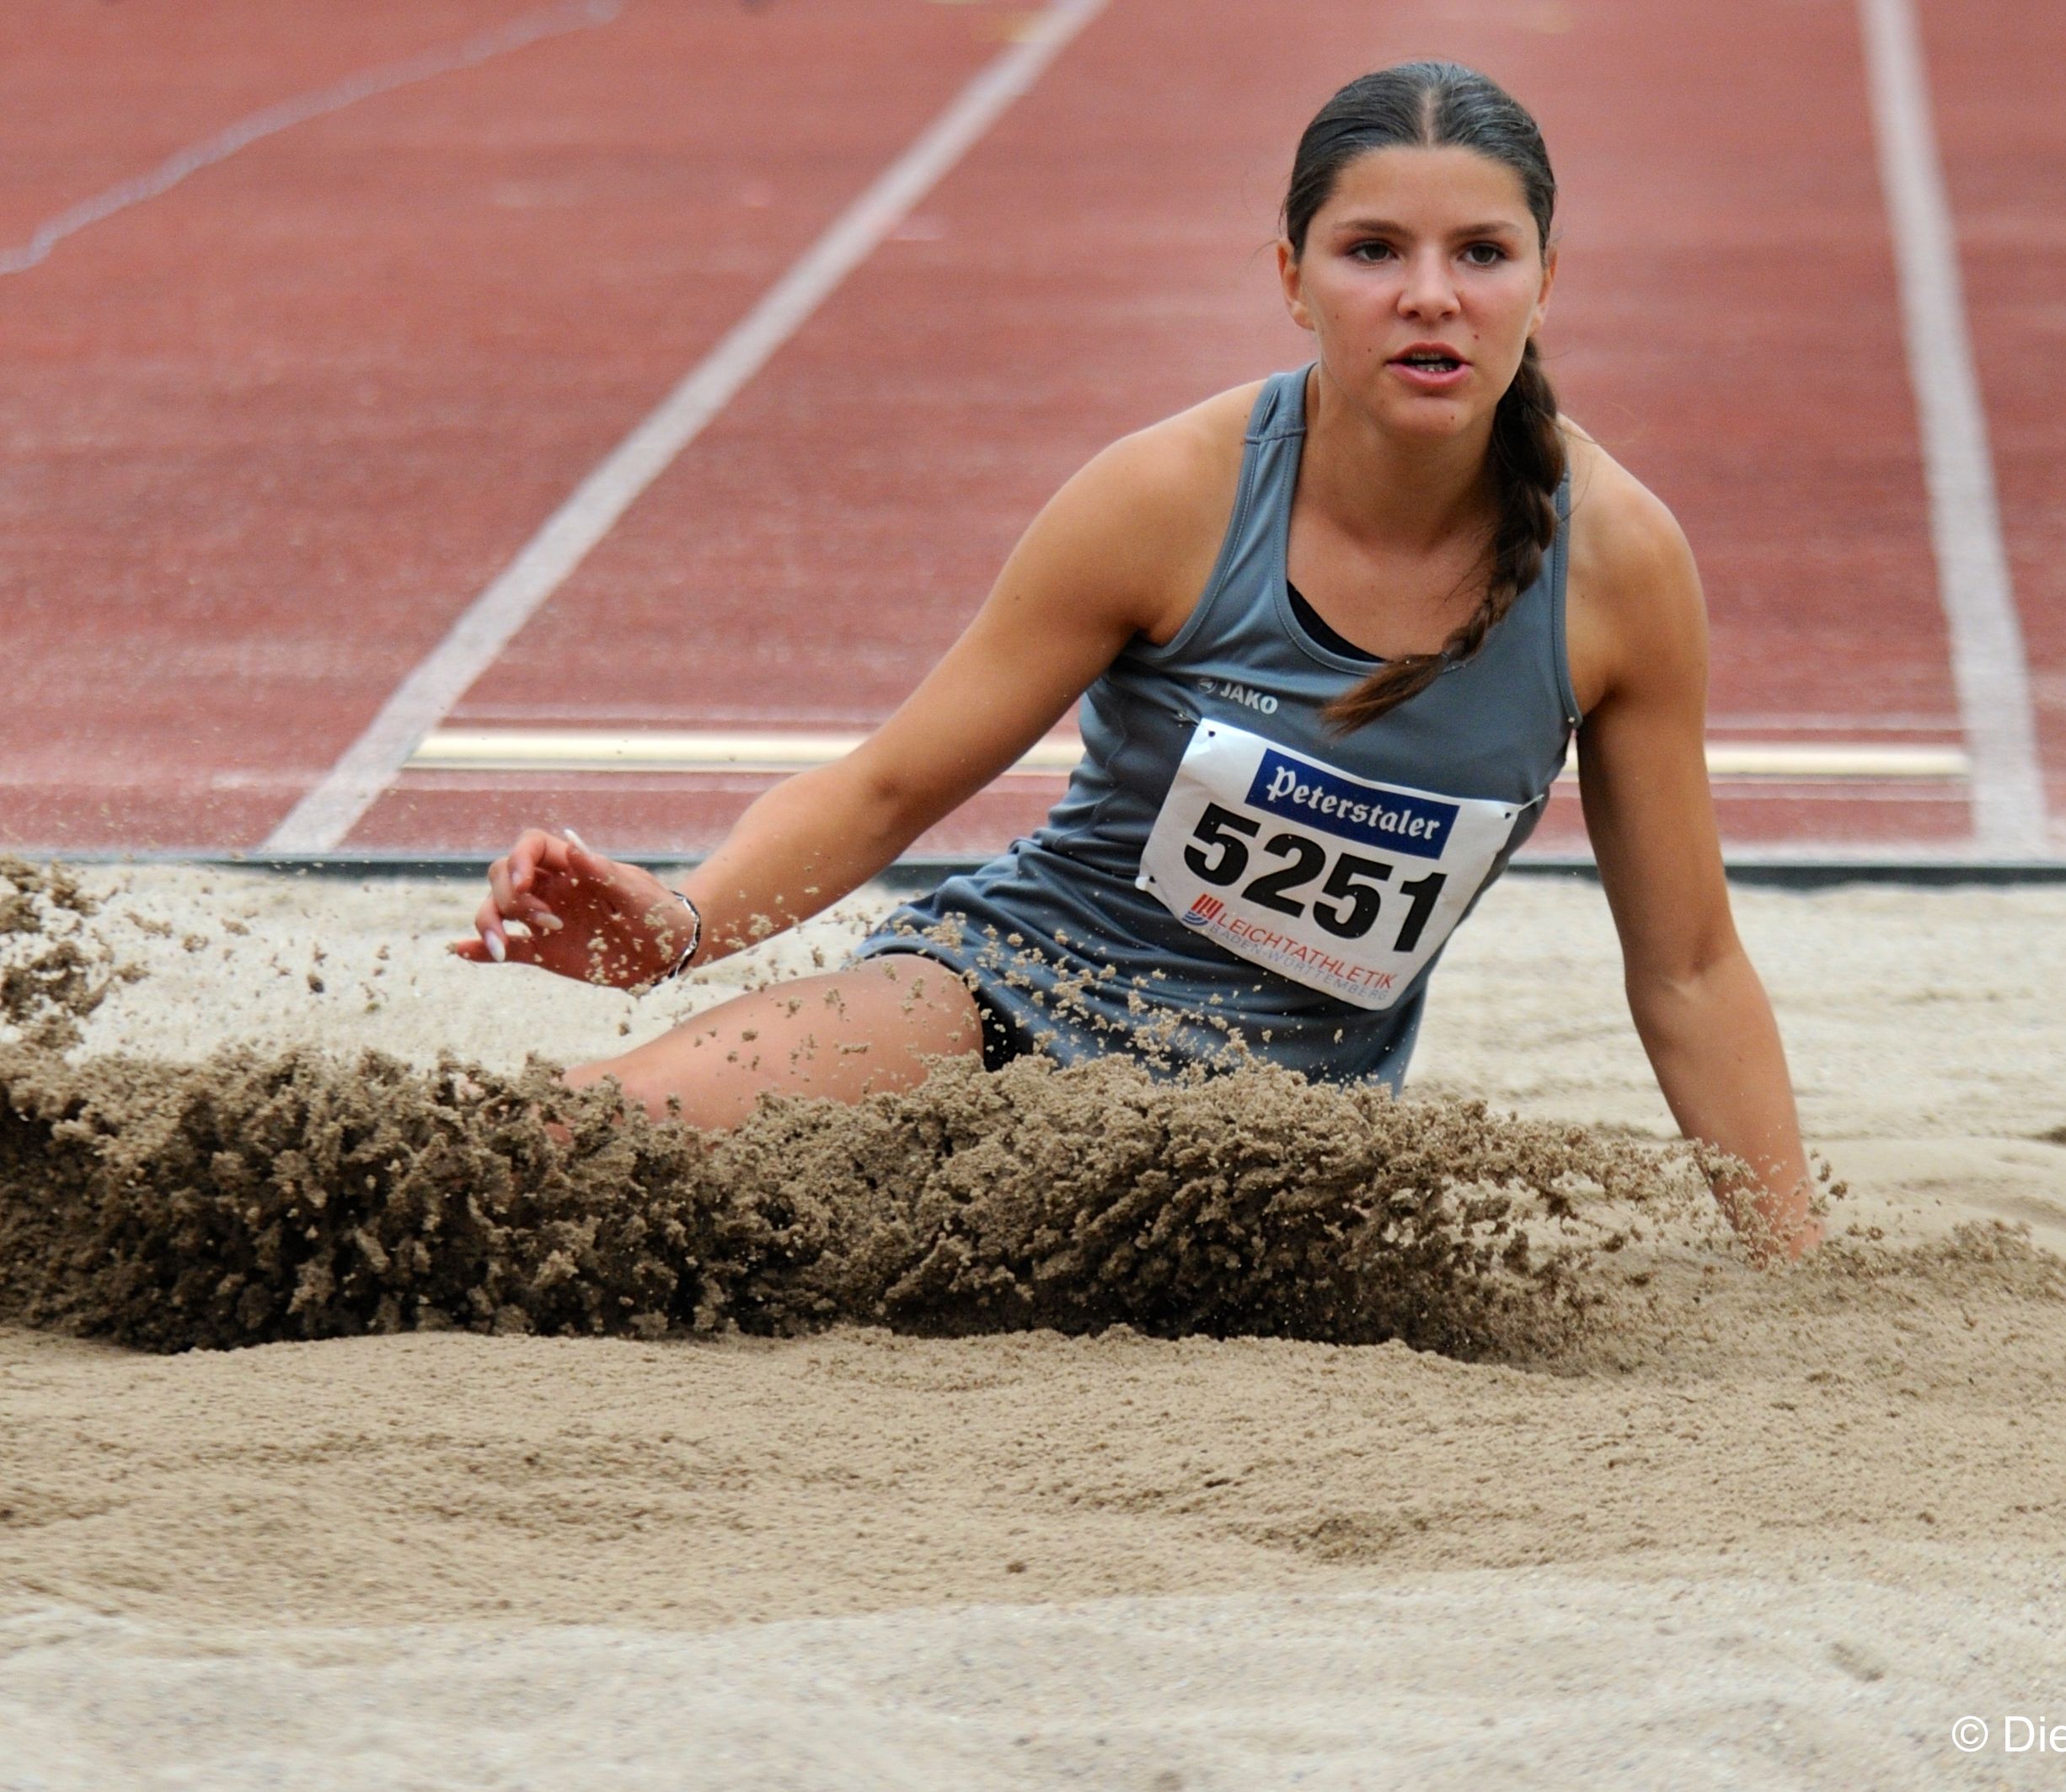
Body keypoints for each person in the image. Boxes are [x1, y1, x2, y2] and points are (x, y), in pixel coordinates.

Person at [453, 62, 1824, 1261]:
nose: (1429, 298)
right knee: (582, 1148)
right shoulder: (1166, 497)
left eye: (1481, 253)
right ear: (1291, 278)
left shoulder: (1622, 568)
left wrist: (1801, 1275)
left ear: (1546, 277)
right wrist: (681, 928)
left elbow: (1691, 968)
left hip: (1268, 1140)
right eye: (1370, 252)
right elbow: (886, 788)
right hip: (1003, 993)